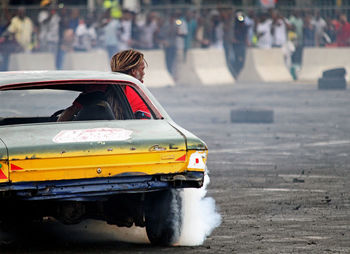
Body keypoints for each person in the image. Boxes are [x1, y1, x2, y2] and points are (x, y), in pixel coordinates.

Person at [57, 49, 150, 121]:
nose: (144, 73)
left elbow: (71, 111)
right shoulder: (138, 93)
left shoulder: (97, 88)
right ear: (134, 71)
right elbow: (144, 124)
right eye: (142, 69)